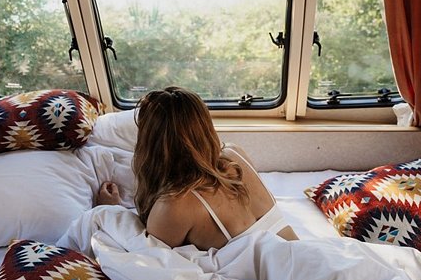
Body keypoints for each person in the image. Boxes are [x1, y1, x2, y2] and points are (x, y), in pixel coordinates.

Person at [96, 86, 298, 250]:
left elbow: (148, 259)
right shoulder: (235, 154)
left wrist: (110, 209)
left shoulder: (174, 204)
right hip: (299, 253)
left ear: (149, 143)